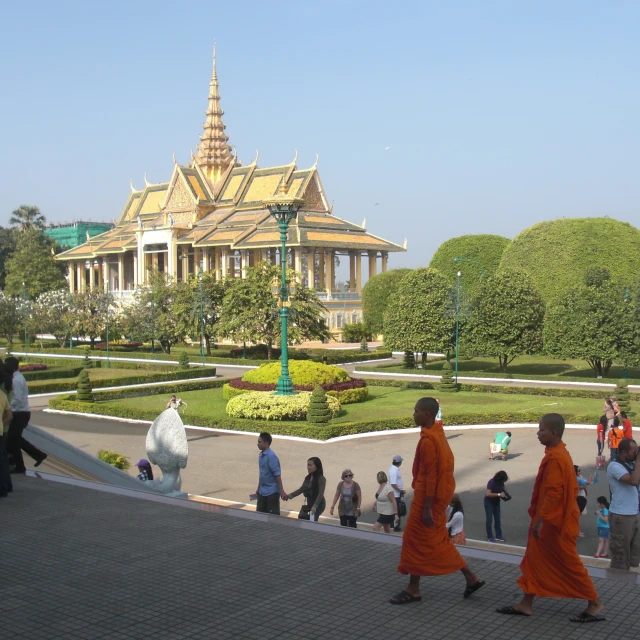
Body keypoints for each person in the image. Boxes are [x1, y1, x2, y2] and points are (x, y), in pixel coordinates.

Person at [497, 413, 603, 622]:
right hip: (551, 519)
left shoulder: (557, 458)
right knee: (535, 560)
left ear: (553, 433)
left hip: (554, 522)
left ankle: (594, 602)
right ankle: (526, 603)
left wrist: (540, 520)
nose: (538, 434)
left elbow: (554, 493)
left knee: (568, 561)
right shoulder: (559, 453)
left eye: (541, 430)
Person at [390, 397, 484, 605]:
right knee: (436, 540)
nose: (413, 414)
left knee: (415, 541)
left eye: (416, 411)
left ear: (427, 415)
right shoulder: (437, 435)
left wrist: (426, 508)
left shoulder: (429, 441)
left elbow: (431, 476)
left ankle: (413, 589)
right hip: (435, 498)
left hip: (427, 500)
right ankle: (471, 577)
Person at [5, 357, 46, 473]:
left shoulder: (16, 380)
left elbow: (16, 399)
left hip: (20, 414)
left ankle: (21, 465)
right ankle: (37, 456)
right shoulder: (16, 377)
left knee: (13, 440)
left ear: (11, 366)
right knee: (14, 439)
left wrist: (5, 408)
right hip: (20, 413)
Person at [606, 438, 640, 572]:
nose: (636, 454)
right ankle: (617, 584)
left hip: (635, 513)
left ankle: (628, 586)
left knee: (634, 555)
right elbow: (633, 481)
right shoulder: (614, 466)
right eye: (634, 451)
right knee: (620, 556)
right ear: (624, 452)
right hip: (621, 516)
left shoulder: (632, 464)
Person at [255, 432, 287, 515]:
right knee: (259, 515)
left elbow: (277, 475)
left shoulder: (271, 456)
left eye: (259, 442)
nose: (257, 444)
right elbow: (262, 474)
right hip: (262, 492)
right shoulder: (261, 455)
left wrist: (281, 491)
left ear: (266, 443)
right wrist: (258, 488)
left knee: (272, 518)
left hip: (272, 493)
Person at [287, 457, 326, 522]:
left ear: (317, 466)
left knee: (312, 520)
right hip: (310, 503)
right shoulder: (308, 478)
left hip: (319, 504)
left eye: (310, 465)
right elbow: (301, 489)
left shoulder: (321, 479)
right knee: (308, 520)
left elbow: (320, 494)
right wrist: (290, 496)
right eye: (308, 465)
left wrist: (315, 506)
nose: (308, 467)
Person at [0, 362, 14, 498]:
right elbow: (9, 414)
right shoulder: (8, 385)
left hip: (2, 426)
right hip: (4, 428)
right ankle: (6, 486)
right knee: (3, 459)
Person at [485, 471, 509, 543]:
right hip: (489, 502)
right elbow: (487, 494)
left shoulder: (501, 482)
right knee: (489, 520)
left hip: (496, 502)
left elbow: (503, 487)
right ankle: (490, 536)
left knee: (497, 519)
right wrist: (499, 494)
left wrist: (507, 493)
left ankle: (498, 535)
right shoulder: (491, 482)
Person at [575, 465, 593, 537]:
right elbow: (587, 483)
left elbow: (585, 484)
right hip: (579, 498)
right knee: (577, 516)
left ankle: (577, 531)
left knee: (577, 516)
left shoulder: (579, 477)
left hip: (580, 497)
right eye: (579, 470)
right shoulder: (577, 479)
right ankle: (577, 531)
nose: (580, 471)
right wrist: (590, 478)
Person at [388, 454, 405, 532]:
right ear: (399, 462)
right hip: (395, 494)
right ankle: (395, 527)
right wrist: (400, 491)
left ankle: (395, 526)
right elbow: (393, 484)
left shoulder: (393, 469)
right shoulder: (394, 470)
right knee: (396, 511)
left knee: (396, 510)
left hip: (395, 493)